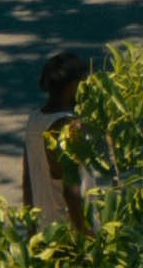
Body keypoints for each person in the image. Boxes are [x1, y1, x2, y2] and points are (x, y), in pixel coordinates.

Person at [21, 46, 95, 228]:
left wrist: (31, 226)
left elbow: (28, 178)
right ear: (71, 86)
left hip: (44, 228)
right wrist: (85, 235)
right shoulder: (67, 128)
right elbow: (71, 190)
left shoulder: (34, 120)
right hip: (68, 232)